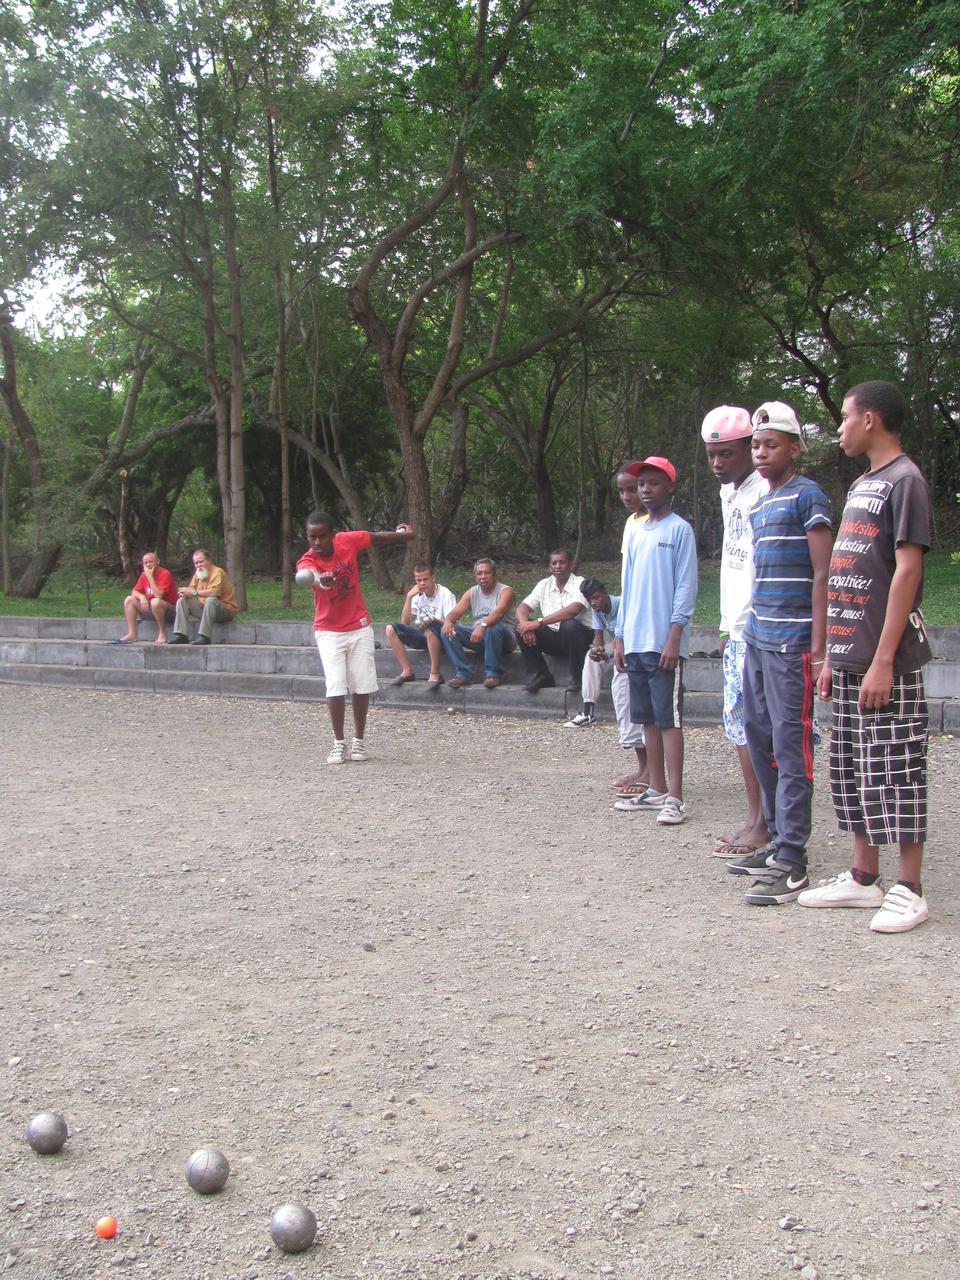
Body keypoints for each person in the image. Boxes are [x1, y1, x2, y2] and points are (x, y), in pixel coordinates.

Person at [799, 380, 933, 933]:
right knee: (852, 768)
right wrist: (833, 654)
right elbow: (847, 576)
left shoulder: (906, 482)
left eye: (846, 418)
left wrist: (882, 660)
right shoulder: (863, 484)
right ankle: (862, 876)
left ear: (871, 419)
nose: (840, 429)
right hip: (850, 656)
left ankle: (910, 888)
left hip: (886, 661)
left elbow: (907, 570)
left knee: (895, 768)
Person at [731, 401, 832, 906]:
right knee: (760, 734)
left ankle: (793, 860)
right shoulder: (760, 504)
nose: (762, 452)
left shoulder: (808, 497)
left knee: (792, 748)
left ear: (794, 447)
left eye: (772, 443)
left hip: (794, 644)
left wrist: (818, 650)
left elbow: (822, 574)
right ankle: (774, 838)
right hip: (758, 637)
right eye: (756, 444)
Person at [700, 406, 771, 859]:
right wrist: (726, 625)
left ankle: (766, 823)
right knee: (739, 727)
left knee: (759, 729)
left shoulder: (765, 491)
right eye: (711, 455)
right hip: (737, 631)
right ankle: (754, 817)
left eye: (726, 454)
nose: (717, 463)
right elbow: (734, 563)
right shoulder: (730, 494)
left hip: (763, 631)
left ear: (749, 447)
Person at [612, 456, 698, 826]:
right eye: (641, 483)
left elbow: (686, 585)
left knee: (669, 719)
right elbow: (627, 585)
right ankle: (657, 788)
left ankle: (676, 796)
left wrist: (675, 634)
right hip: (635, 639)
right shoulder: (634, 530)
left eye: (653, 483)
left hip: (664, 642)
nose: (645, 489)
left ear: (671, 487)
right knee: (646, 716)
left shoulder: (680, 531)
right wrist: (620, 636)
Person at [297, 511, 414, 764]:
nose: (317, 542)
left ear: (333, 534)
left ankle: (358, 740)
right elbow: (310, 576)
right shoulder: (307, 560)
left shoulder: (347, 541)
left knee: (362, 685)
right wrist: (322, 581)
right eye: (312, 537)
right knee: (336, 684)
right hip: (328, 630)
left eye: (322, 536)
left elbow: (373, 537)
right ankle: (338, 742)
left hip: (359, 625)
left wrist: (402, 535)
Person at [567, 576, 649, 785]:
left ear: (605, 593)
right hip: (619, 648)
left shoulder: (623, 604)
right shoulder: (597, 611)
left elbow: (635, 635)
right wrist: (597, 652)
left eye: (595, 598)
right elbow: (599, 640)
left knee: (635, 710)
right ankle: (588, 708)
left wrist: (613, 654)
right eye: (589, 600)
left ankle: (649, 772)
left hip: (635, 649)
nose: (593, 604)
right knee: (591, 660)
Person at [515, 549, 593, 694]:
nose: (558, 566)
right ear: (550, 567)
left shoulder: (580, 583)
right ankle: (541, 675)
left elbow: (574, 609)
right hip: (554, 638)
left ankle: (577, 677)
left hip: (579, 639)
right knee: (520, 628)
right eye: (554, 563)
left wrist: (538, 622)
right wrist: (526, 625)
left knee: (569, 625)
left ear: (571, 565)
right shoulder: (544, 584)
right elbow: (522, 608)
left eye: (562, 562)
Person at [440, 558, 517, 689]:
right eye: (479, 573)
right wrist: (447, 621)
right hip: (479, 636)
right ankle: (464, 672)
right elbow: (454, 613)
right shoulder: (472, 592)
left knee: (492, 628)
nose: (483, 577)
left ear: (494, 575)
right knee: (449, 631)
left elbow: (498, 613)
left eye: (486, 573)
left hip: (504, 638)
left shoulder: (506, 591)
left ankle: (493, 674)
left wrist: (482, 626)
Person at [384, 564, 457, 689]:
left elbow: (451, 622)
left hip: (443, 637)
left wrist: (432, 620)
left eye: (425, 579)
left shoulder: (445, 594)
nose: (422, 583)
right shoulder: (417, 595)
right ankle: (407, 671)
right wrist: (408, 597)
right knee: (390, 629)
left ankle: (435, 674)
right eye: (419, 580)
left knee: (430, 628)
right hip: (422, 635)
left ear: (433, 578)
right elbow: (404, 623)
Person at [168, 549, 240, 646]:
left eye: (201, 562)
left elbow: (214, 592)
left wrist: (193, 592)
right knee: (182, 601)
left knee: (210, 600)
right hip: (206, 608)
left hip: (225, 611)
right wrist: (184, 592)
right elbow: (191, 589)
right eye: (196, 563)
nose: (198, 565)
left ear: (209, 561)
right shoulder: (198, 573)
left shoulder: (218, 572)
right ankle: (182, 636)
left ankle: (205, 637)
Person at [115, 550, 178, 644]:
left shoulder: (165, 574)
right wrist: (142, 597)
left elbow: (159, 595)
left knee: (155, 601)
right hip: (153, 610)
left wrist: (150, 577)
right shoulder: (144, 575)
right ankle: (132, 634)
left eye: (150, 562)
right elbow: (134, 591)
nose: (148, 565)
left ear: (158, 562)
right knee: (129, 600)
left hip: (171, 612)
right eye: (146, 563)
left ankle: (162, 633)